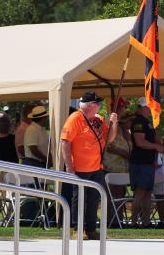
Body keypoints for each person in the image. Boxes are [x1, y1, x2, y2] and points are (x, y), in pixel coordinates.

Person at [60, 91, 119, 240]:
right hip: (79, 168)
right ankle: (78, 229)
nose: (99, 106)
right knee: (79, 199)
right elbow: (65, 142)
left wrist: (114, 123)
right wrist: (69, 166)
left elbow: (110, 139)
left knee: (93, 199)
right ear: (89, 106)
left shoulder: (99, 119)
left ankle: (91, 229)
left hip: (96, 167)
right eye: (97, 103)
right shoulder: (74, 119)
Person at [129, 98, 164, 228]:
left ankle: (146, 222)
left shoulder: (146, 122)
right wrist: (156, 147)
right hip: (140, 162)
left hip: (148, 162)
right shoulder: (138, 122)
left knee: (147, 193)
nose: (151, 109)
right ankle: (133, 222)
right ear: (143, 107)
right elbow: (140, 142)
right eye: (149, 107)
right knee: (140, 192)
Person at [102, 99, 132, 211]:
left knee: (119, 195)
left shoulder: (121, 127)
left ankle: (117, 219)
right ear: (119, 109)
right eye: (124, 108)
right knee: (112, 196)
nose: (125, 110)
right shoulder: (109, 123)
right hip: (111, 167)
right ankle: (112, 220)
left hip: (121, 168)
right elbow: (109, 146)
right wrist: (124, 153)